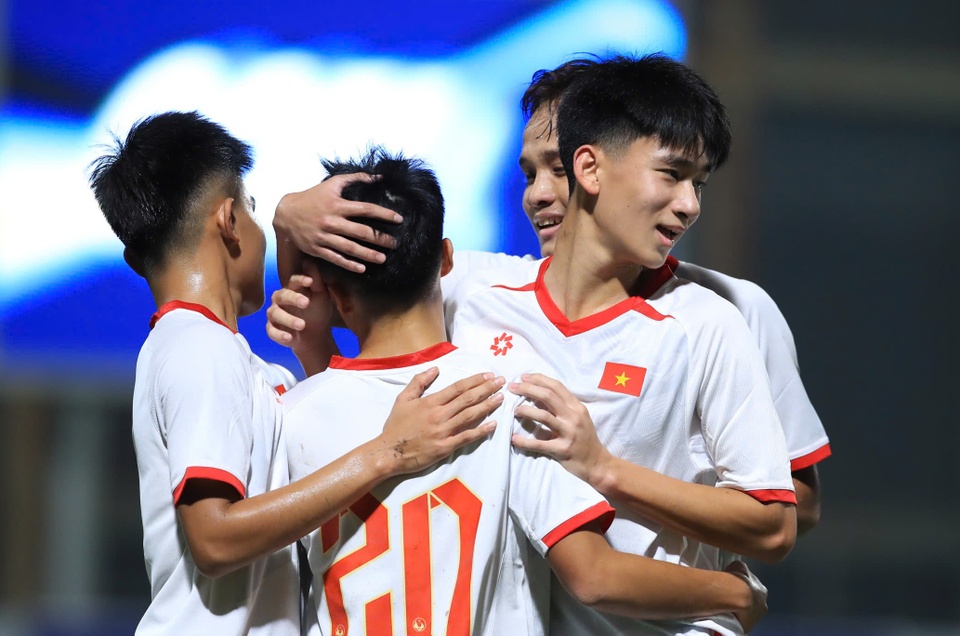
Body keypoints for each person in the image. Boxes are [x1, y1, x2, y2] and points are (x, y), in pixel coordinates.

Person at [270, 56, 830, 536]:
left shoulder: (727, 311)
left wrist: (702, 587)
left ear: (592, 166)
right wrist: (289, 216)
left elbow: (787, 510)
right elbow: (328, 323)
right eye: (528, 173)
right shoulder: (472, 284)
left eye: (557, 169)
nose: (539, 194)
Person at [282, 147, 769, 636]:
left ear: (332, 291)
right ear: (447, 259)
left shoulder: (291, 413)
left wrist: (286, 222)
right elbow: (594, 577)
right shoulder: (509, 401)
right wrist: (735, 592)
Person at [88, 111, 506, 635]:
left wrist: (314, 338)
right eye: (252, 208)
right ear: (228, 221)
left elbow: (330, 420)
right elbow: (215, 540)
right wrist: (390, 452)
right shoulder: (198, 347)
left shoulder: (219, 356)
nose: (262, 230)